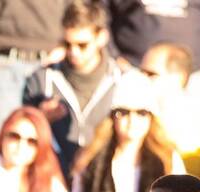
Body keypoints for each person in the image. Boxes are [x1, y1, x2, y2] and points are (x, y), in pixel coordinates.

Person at [71, 71, 183, 192]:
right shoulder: (91, 160)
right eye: (123, 113)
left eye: (141, 113)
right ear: (112, 117)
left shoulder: (168, 159)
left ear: (151, 117)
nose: (132, 121)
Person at [23, 0, 124, 178]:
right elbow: (21, 139)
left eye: (82, 45)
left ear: (102, 37)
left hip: (106, 180)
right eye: (67, 44)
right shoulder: (41, 79)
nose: (74, 52)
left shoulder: (123, 80)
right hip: (53, 178)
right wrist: (39, 119)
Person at [142, 43, 200, 189]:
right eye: (141, 73)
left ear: (178, 77)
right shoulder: (133, 119)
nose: (142, 80)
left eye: (151, 74)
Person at [0, 0, 69, 142]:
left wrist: (66, 43)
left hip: (51, 58)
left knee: (54, 141)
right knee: (1, 139)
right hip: (4, 55)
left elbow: (77, 7)